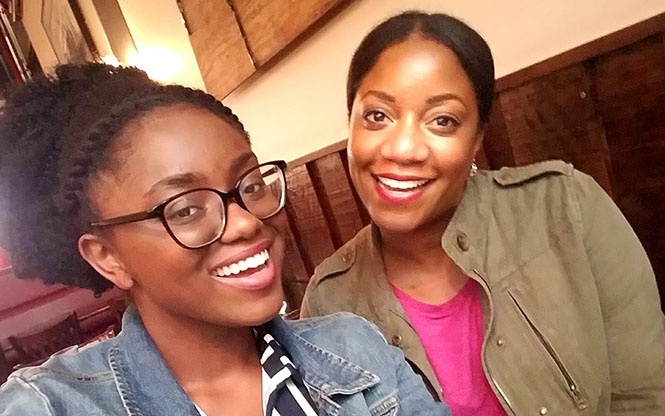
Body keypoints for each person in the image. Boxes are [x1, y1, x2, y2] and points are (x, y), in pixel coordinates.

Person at [0, 63, 449, 416]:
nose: (245, 223)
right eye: (185, 209)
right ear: (107, 257)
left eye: (250, 185)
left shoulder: (355, 348)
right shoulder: (51, 406)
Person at [301, 11, 665, 416]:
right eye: (377, 116)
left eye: (443, 121)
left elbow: (645, 397)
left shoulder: (566, 207)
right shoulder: (329, 299)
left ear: (477, 138)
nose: (403, 149)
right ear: (350, 125)